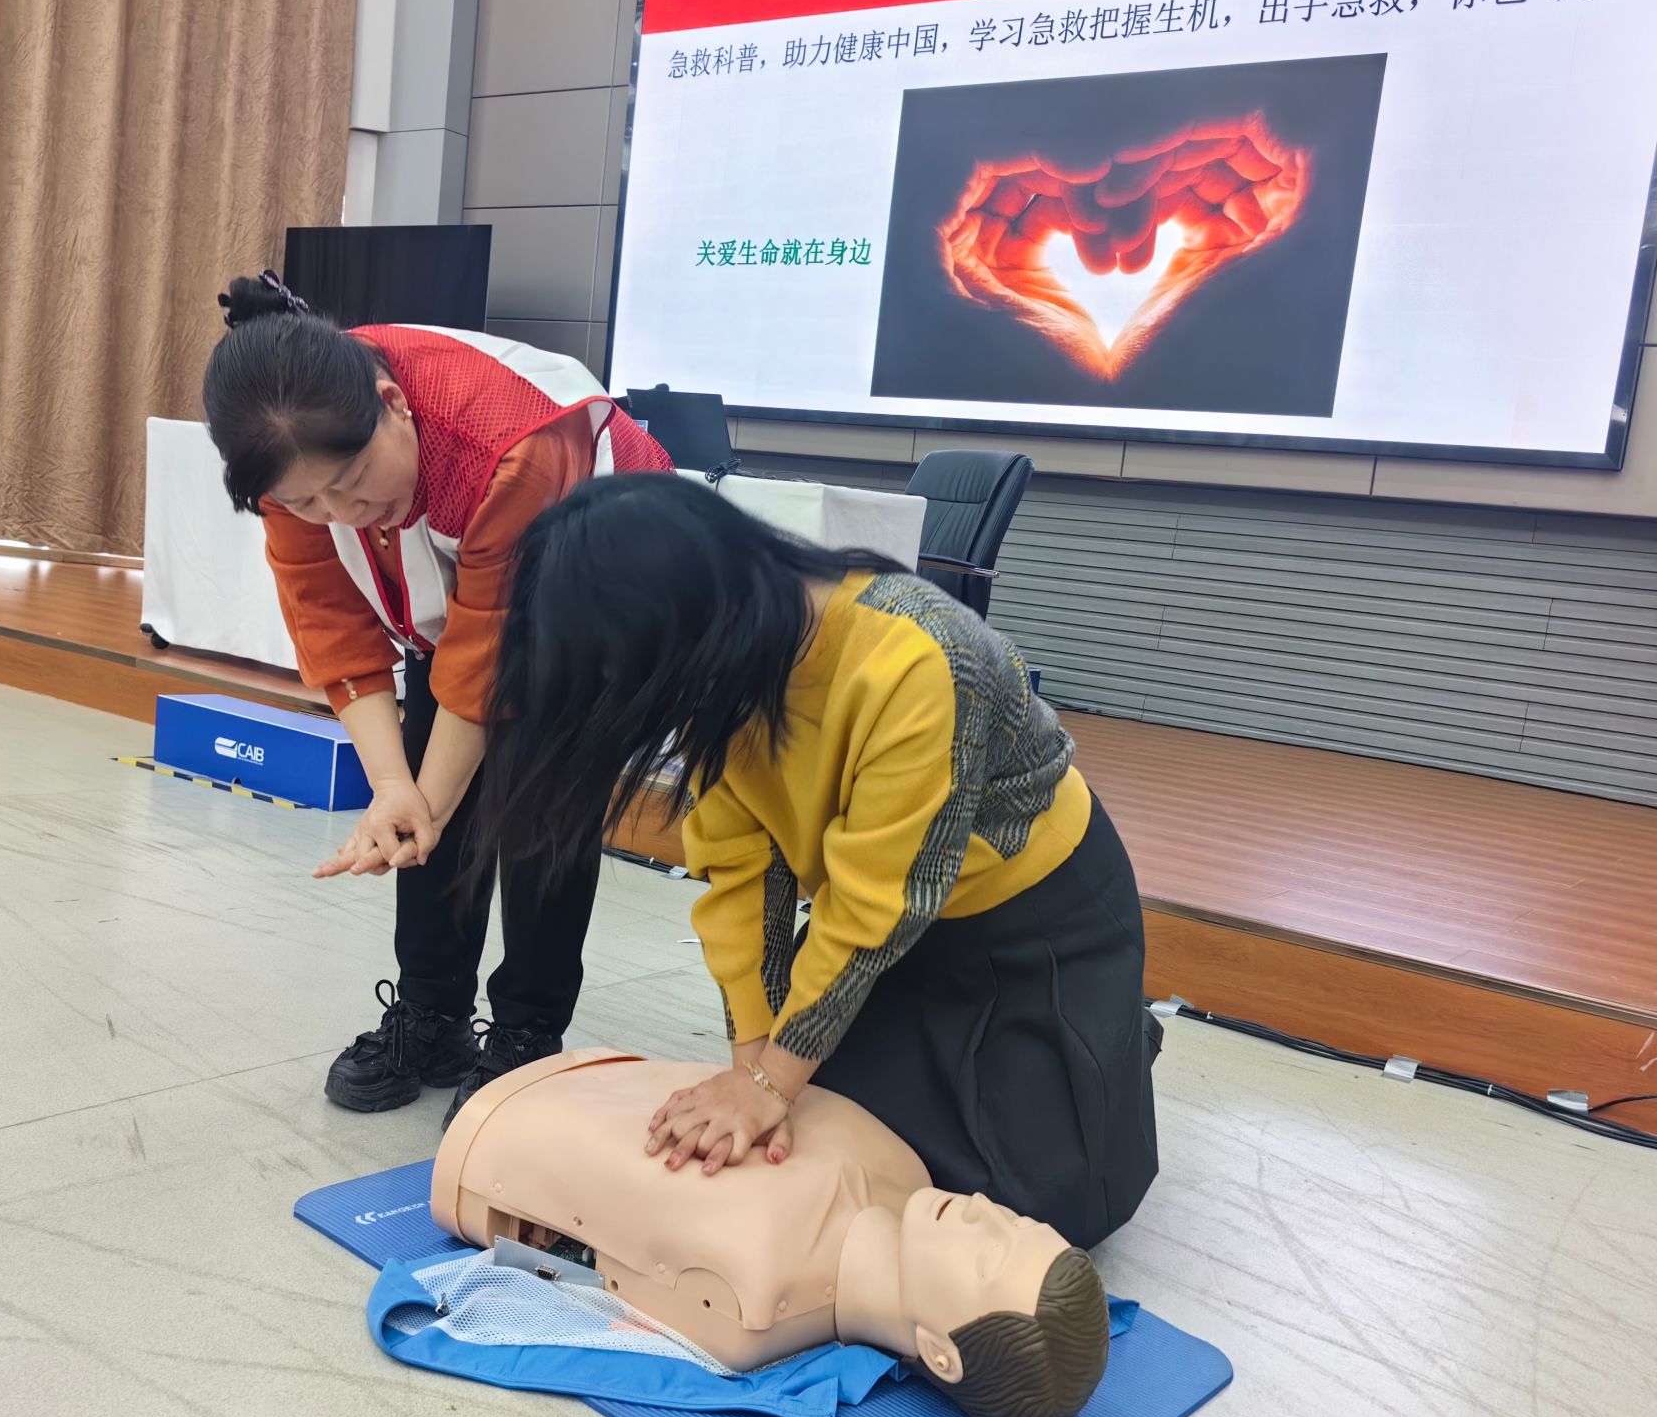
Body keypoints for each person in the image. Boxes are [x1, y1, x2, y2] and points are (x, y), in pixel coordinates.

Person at [470, 474, 1159, 1248]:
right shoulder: (718, 672)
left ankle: (1109, 1034)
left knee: (1039, 1207)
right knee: (827, 1140)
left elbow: (880, 905)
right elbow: (741, 875)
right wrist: (753, 1074)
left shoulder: (923, 656)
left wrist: (770, 1083)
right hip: (889, 926)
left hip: (1035, 919)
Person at [200, 271, 673, 1122]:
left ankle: (526, 1035)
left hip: (598, 593)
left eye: (351, 478)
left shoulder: (511, 441)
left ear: (393, 404)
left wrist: (425, 801)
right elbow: (333, 626)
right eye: (307, 501)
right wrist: (395, 790)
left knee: (539, 811)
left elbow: (490, 651)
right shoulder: (288, 460)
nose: (339, 511)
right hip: (467, 600)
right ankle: (432, 1013)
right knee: (424, 791)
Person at [428, 1048, 1111, 1417]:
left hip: (494, 1125)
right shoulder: (907, 1171)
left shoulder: (749, 1302)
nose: (983, 1209)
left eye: (990, 1252)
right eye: (1013, 1221)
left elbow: (573, 1270)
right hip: (589, 1073)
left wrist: (528, 1256)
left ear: (940, 1353)